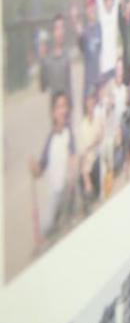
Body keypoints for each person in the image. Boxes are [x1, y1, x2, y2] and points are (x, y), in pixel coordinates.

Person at [29, 90, 77, 246]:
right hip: (54, 195)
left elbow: (73, 157)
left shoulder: (69, 132)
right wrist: (34, 168)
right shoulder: (50, 139)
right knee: (45, 228)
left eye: (65, 106)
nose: (63, 110)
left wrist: (72, 172)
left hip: (67, 193)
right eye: (59, 107)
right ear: (53, 113)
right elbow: (39, 171)